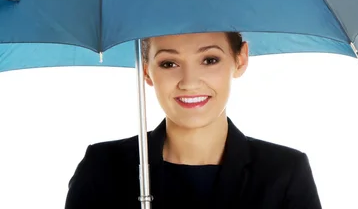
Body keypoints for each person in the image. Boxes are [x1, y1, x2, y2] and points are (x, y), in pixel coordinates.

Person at [65, 32, 322, 208]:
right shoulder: (102, 168)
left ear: (240, 59)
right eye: (168, 63)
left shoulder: (284, 172)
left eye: (209, 60)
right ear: (146, 70)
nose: (189, 82)